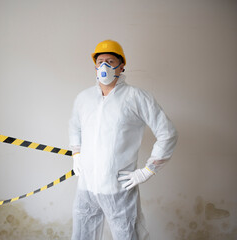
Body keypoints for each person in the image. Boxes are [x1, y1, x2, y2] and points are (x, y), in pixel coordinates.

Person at [69, 39, 178, 240]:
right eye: (100, 60)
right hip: (86, 185)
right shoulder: (84, 98)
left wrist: (148, 170)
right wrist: (76, 154)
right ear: (95, 66)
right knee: (82, 234)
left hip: (117, 187)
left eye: (110, 61)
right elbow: (75, 127)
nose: (104, 66)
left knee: (126, 234)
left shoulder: (136, 97)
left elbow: (167, 132)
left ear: (122, 66)